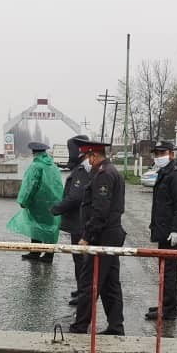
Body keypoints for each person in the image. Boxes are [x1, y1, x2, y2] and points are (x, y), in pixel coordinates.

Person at [69, 140, 126, 336]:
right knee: (110, 284)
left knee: (88, 282)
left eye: (87, 157)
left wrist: (87, 236)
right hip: (111, 236)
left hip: (102, 237)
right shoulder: (109, 171)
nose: (87, 162)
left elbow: (100, 211)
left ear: (93, 155)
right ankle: (116, 326)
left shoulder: (103, 175)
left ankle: (80, 326)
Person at [146, 140, 177, 321]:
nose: (159, 157)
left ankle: (168, 310)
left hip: (172, 233)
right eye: (156, 154)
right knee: (164, 270)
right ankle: (164, 304)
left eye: (162, 153)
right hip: (164, 231)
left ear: (172, 154)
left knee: (169, 271)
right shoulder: (165, 173)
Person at [51, 135, 92, 306]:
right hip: (79, 222)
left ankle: (84, 293)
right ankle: (82, 289)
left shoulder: (82, 171)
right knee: (80, 260)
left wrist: (56, 209)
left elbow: (75, 197)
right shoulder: (79, 168)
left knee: (81, 261)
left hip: (80, 223)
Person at [7, 141, 64, 262]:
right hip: (53, 202)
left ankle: (35, 252)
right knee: (51, 227)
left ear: (34, 153)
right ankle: (49, 255)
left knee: (36, 226)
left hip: (38, 203)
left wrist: (23, 201)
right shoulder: (53, 166)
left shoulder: (35, 166)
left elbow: (30, 185)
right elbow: (59, 185)